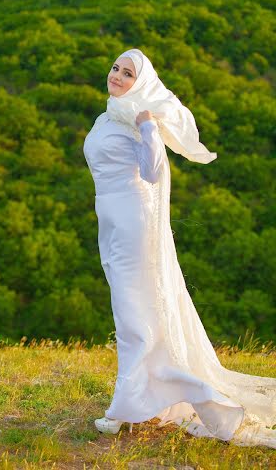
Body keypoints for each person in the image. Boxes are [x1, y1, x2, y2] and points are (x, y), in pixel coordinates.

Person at [83, 48, 276, 448]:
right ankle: (147, 398)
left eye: (128, 73)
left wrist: (149, 126)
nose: (117, 76)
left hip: (135, 226)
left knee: (134, 316)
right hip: (113, 226)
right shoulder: (110, 114)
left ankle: (124, 409)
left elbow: (153, 172)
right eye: (115, 67)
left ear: (144, 83)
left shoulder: (139, 118)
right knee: (132, 314)